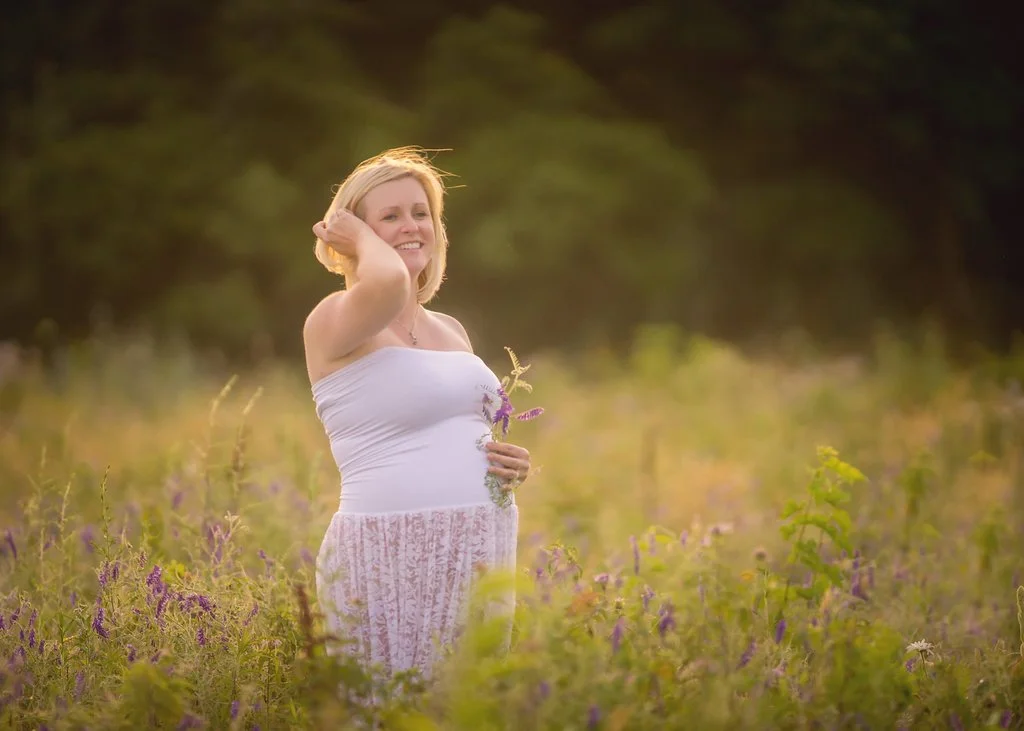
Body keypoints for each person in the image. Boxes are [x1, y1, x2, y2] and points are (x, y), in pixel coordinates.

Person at [304, 147, 532, 682]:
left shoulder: (450, 329)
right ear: (351, 232)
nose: (412, 226)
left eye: (421, 213)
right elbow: (385, 285)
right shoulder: (336, 320)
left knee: (464, 708)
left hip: (479, 547)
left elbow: (463, 428)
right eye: (390, 216)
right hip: (387, 552)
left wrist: (511, 465)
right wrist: (356, 240)